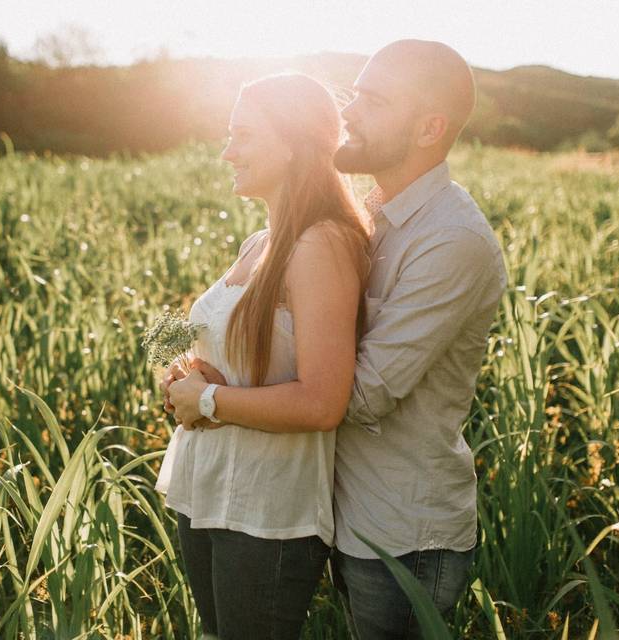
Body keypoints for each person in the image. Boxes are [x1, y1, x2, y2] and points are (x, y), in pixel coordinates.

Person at [165, 40, 507, 639]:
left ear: (430, 127)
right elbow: (271, 343)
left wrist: (216, 398)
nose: (348, 113)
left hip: (400, 528)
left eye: (372, 100)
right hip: (329, 504)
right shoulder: (364, 217)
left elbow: (356, 394)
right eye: (353, 94)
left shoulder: (451, 240)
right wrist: (194, 373)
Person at [153, 72, 371, 640]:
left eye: (244, 135)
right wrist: (176, 371)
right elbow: (191, 335)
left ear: (295, 142)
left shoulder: (321, 245)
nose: (228, 152)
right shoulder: (260, 241)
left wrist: (204, 397)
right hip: (208, 487)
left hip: (266, 511)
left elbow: (322, 403)